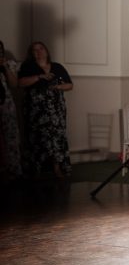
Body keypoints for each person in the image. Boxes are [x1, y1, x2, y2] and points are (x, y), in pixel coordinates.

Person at [17, 41, 73, 178]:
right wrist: (39, 77)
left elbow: (70, 85)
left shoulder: (57, 67)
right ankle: (36, 169)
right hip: (36, 110)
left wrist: (58, 87)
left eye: (41, 48)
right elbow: (20, 83)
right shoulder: (28, 66)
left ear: (46, 50)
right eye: (35, 50)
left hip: (55, 109)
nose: (39, 52)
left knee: (56, 137)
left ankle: (57, 167)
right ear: (32, 54)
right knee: (37, 138)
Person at [0, 40, 22, 181]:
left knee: (11, 137)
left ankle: (14, 170)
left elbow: (14, 84)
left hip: (6, 104)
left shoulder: (9, 64)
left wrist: (5, 67)